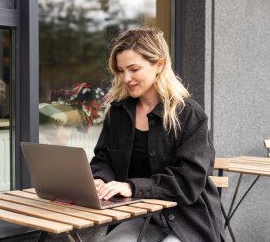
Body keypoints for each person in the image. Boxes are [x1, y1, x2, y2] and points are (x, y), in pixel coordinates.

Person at [90, 27, 225, 242]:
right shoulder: (118, 113)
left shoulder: (189, 115)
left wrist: (132, 186)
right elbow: (103, 159)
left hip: (188, 219)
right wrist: (99, 178)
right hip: (141, 217)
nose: (126, 78)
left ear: (159, 64)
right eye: (120, 70)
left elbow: (189, 179)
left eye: (134, 69)